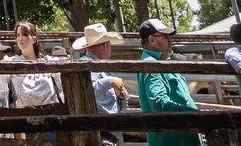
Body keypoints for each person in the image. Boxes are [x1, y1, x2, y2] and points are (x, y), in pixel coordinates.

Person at [136, 18, 203, 146]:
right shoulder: (151, 65)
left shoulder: (161, 63)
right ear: (152, 40)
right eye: (165, 36)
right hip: (172, 140)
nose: (170, 40)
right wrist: (193, 114)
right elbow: (159, 103)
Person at [71, 23, 130, 115]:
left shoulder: (100, 66)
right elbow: (85, 90)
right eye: (109, 45)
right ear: (105, 45)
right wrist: (109, 81)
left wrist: (122, 98)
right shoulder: (85, 64)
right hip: (99, 124)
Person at [8, 19, 63, 108]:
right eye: (18, 35)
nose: (21, 38)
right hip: (24, 115)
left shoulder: (49, 62)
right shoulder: (11, 63)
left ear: (34, 39)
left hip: (51, 113)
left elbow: (61, 89)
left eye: (25, 35)